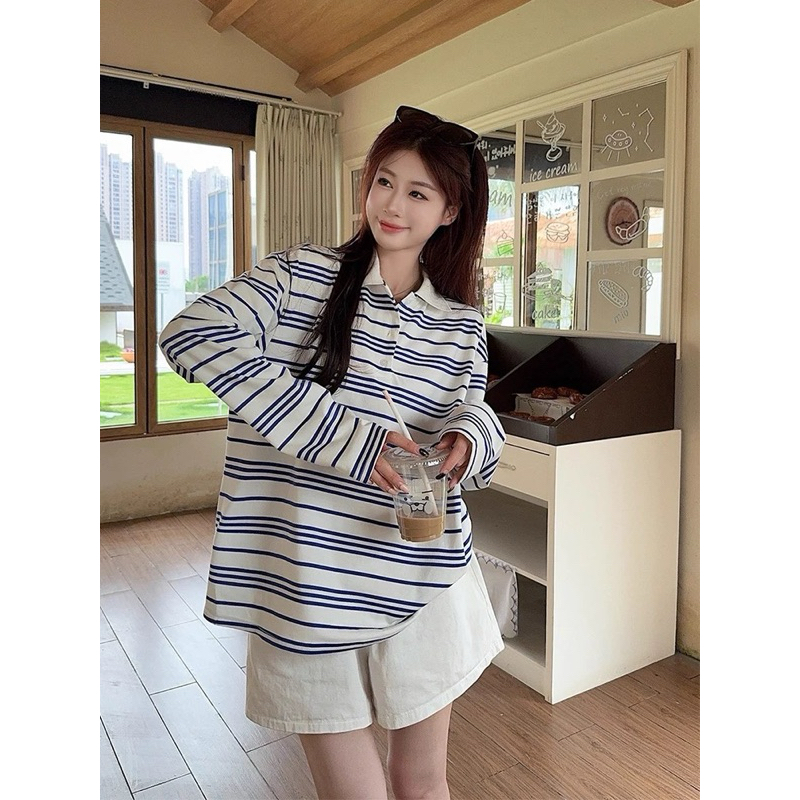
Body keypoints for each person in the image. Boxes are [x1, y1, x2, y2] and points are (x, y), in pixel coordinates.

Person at [159, 104, 507, 800]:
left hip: (422, 575)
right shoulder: (299, 278)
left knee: (423, 784)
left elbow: (474, 406)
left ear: (450, 211)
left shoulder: (461, 322)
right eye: (384, 181)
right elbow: (192, 334)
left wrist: (469, 438)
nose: (392, 205)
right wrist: (347, 437)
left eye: (418, 192)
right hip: (307, 581)